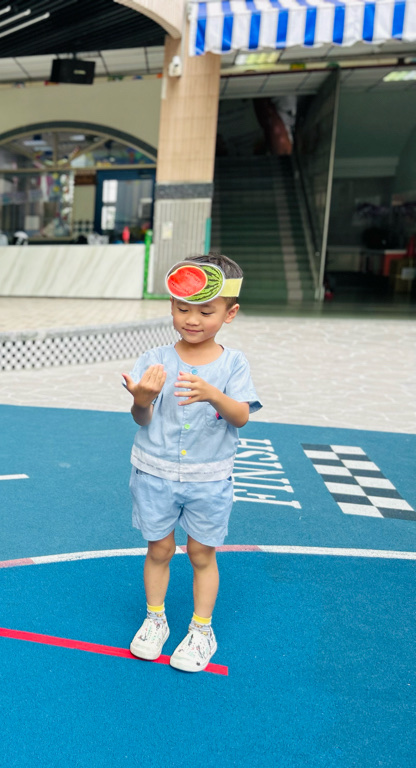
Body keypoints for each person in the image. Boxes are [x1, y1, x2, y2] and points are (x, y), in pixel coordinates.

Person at [120, 253, 260, 672]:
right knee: (159, 548)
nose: (192, 320)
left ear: (230, 313)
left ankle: (202, 630)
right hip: (154, 472)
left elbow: (241, 416)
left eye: (205, 311)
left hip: (209, 478)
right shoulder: (154, 358)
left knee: (201, 553)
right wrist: (141, 400)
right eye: (183, 309)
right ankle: (155, 619)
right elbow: (142, 419)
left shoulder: (234, 364)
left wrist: (213, 394)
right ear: (171, 307)